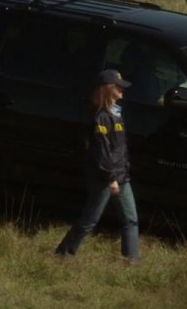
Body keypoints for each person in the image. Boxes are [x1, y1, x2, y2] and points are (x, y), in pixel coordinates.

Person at [55, 69, 140, 264]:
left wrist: (122, 172)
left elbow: (119, 149)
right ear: (108, 89)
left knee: (131, 219)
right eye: (118, 87)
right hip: (105, 178)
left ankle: (131, 261)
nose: (122, 90)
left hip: (121, 175)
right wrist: (111, 178)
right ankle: (63, 253)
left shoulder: (117, 113)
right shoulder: (100, 117)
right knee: (89, 221)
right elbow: (102, 153)